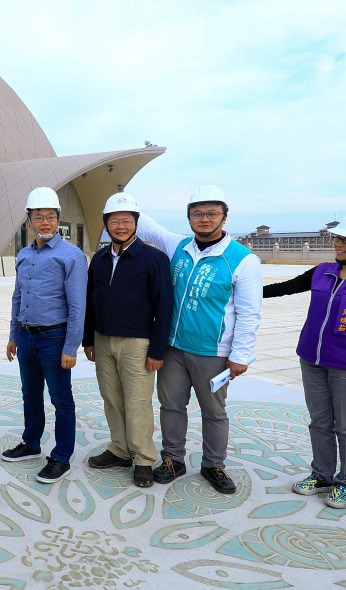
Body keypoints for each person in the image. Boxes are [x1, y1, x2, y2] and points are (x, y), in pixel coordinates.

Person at [263, 208, 346, 509]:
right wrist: (240, 291)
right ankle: (322, 475)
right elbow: (282, 289)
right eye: (338, 238)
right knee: (320, 422)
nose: (338, 244)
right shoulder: (322, 270)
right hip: (311, 359)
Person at [133, 184, 262, 494]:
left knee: (214, 412)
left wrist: (240, 355)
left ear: (225, 217)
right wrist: (121, 198)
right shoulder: (178, 246)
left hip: (213, 354)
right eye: (197, 213)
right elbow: (148, 225)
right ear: (189, 217)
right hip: (173, 349)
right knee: (171, 406)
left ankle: (213, 464)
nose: (204, 219)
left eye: (211, 213)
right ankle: (173, 459)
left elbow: (249, 313)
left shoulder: (243, 260)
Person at [82, 192, 172, 488]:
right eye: (114, 221)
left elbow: (164, 307)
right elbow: (90, 300)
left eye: (126, 221)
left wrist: (157, 349)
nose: (120, 226)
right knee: (111, 398)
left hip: (137, 342)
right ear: (105, 225)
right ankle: (120, 449)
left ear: (136, 223)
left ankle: (144, 458)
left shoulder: (153, 258)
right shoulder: (99, 258)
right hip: (103, 340)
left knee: (137, 402)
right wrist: (88, 340)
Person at [4, 187, 87, 483]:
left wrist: (71, 347)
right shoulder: (24, 254)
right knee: (30, 394)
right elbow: (18, 296)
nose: (45, 222)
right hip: (26, 338)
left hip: (54, 339)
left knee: (61, 399)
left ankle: (61, 456)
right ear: (29, 222)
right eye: (38, 217)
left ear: (58, 219)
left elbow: (78, 305)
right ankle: (31, 443)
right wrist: (13, 335)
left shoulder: (71, 256)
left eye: (51, 217)